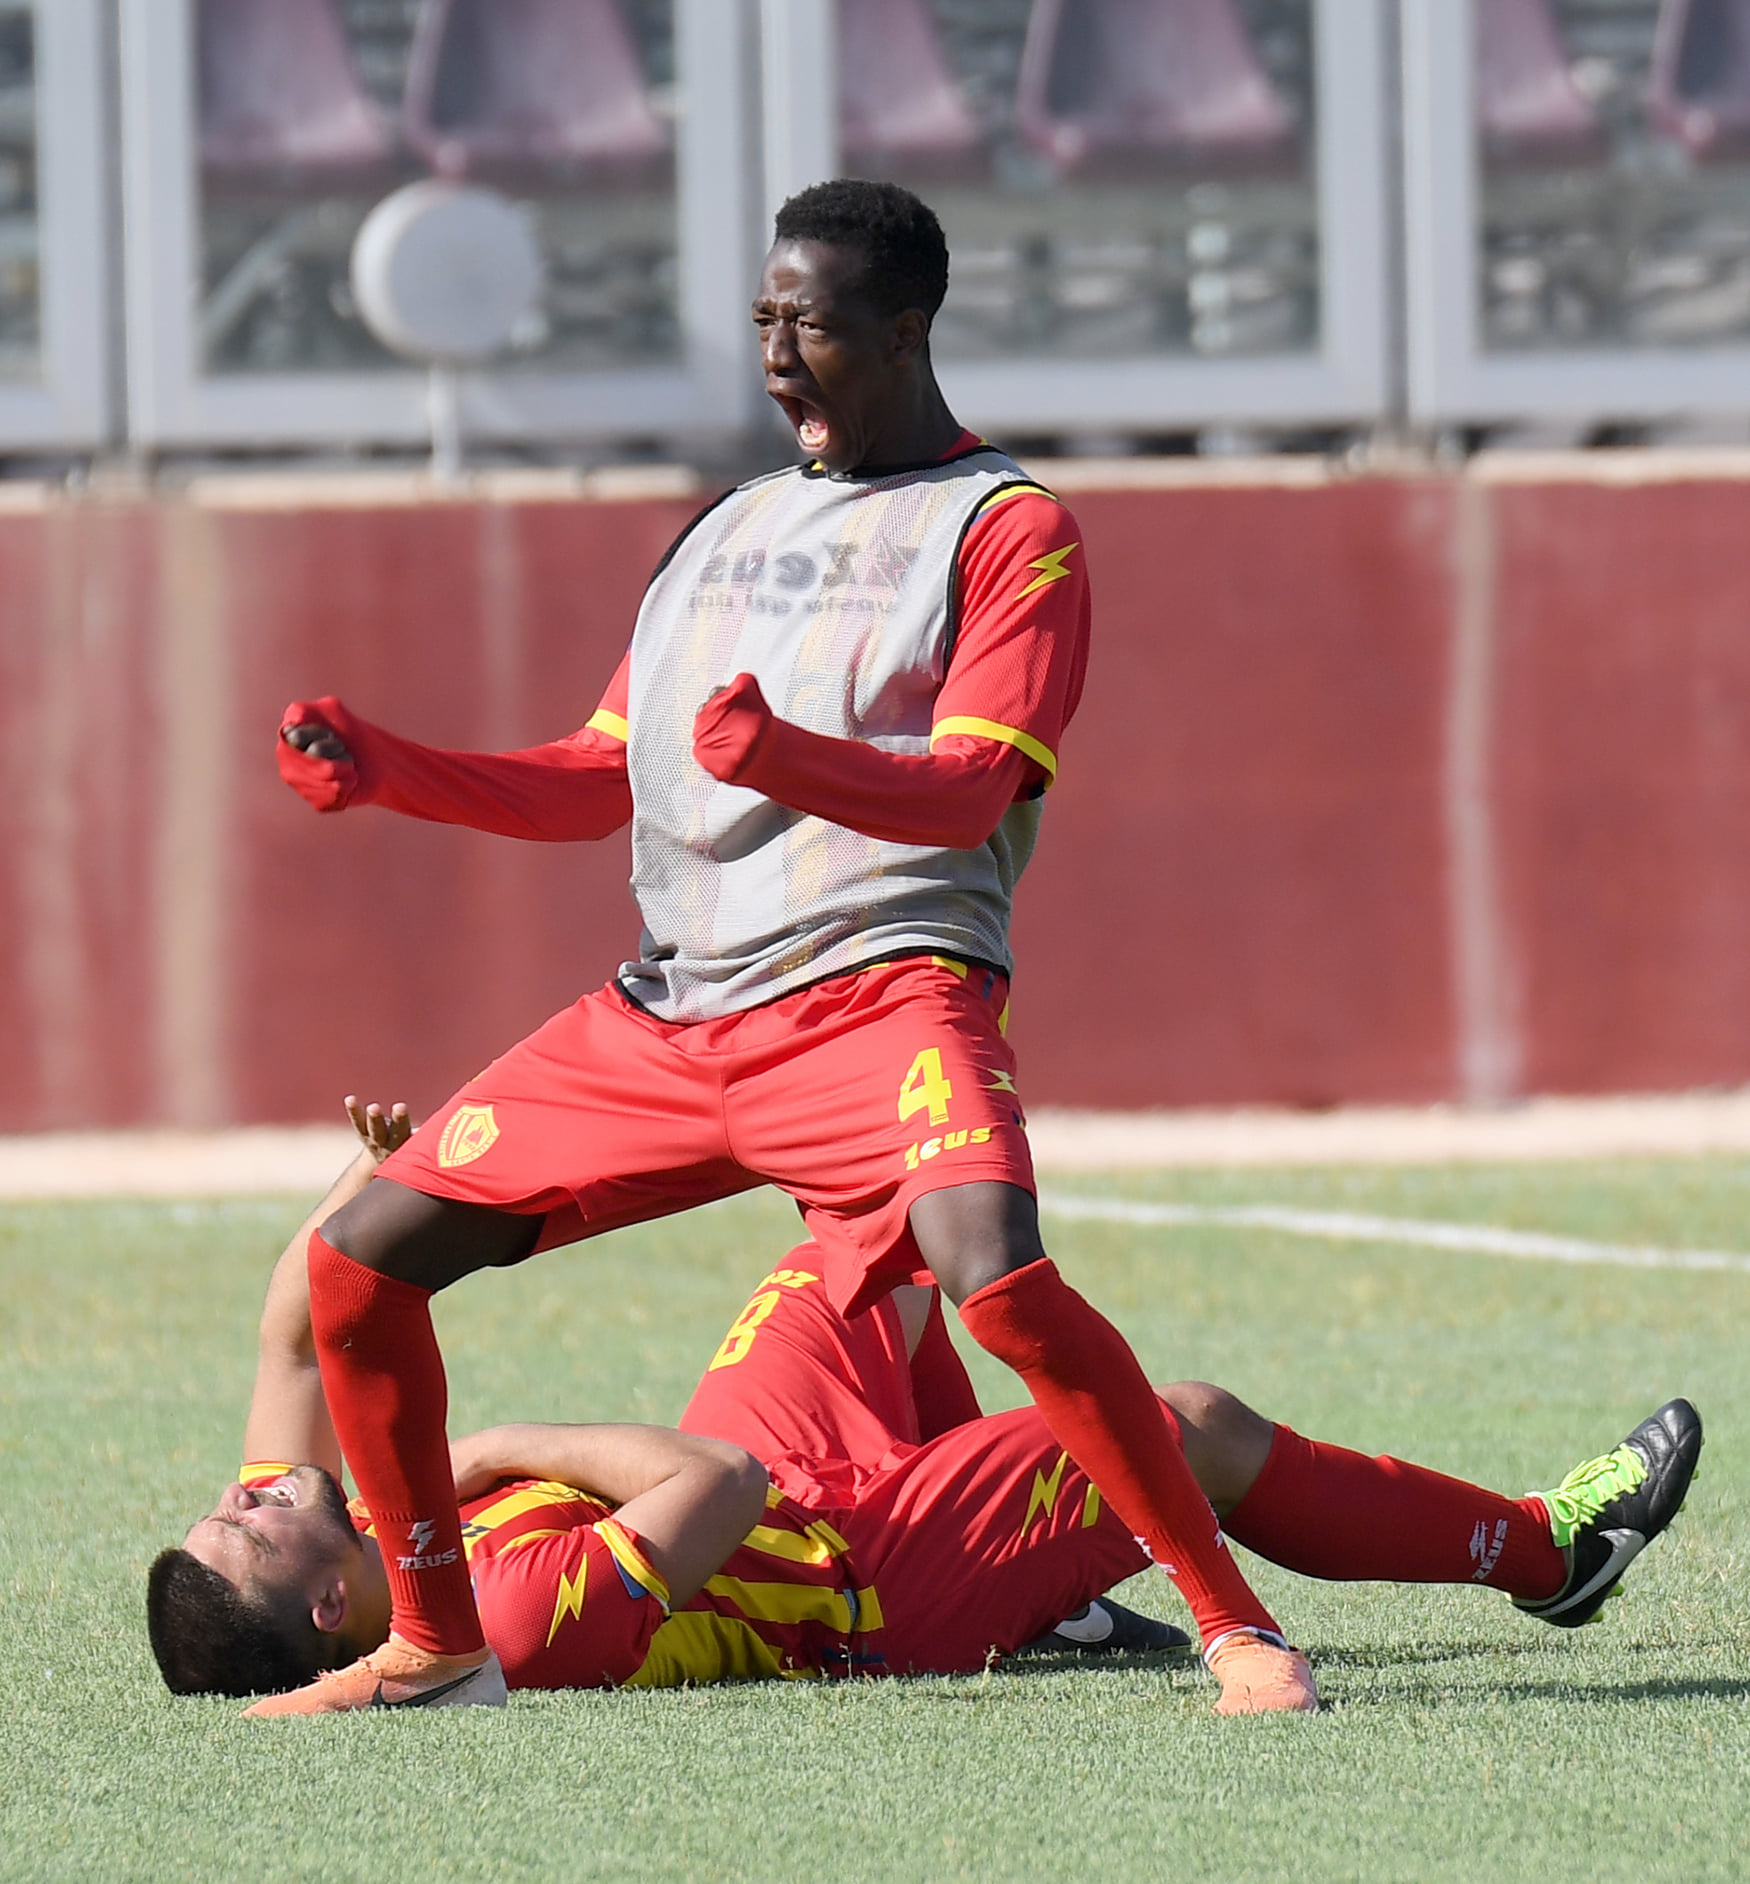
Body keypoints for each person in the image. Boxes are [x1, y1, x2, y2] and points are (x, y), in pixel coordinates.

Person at [147, 1109, 1705, 1709]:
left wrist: (381, 1175)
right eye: (248, 1528)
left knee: (870, 1207)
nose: (252, 1490)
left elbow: (298, 1322)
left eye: (232, 1501)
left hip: (798, 1487)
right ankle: (1545, 1555)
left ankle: (1056, 1603)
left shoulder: (352, 1525)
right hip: (863, 1580)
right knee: (1185, 1426)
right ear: (334, 1606)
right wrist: (493, 1447)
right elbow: (717, 1483)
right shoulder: (502, 1619)